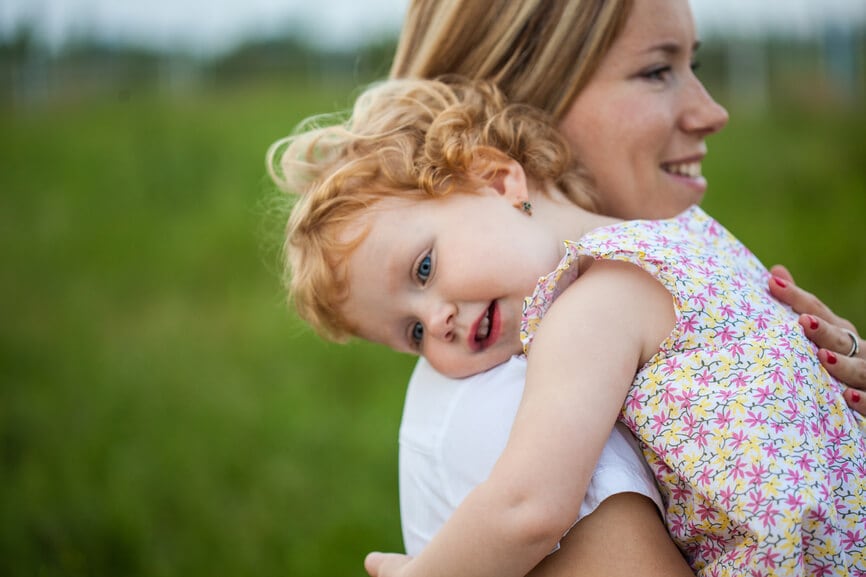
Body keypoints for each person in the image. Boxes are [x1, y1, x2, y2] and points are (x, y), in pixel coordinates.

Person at [269, 76, 866, 575]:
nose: (438, 321)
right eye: (413, 334)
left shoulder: (586, 309)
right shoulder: (691, 231)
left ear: (498, 180)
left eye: (423, 268)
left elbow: (528, 508)